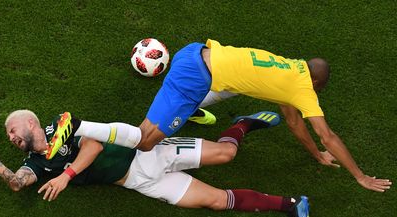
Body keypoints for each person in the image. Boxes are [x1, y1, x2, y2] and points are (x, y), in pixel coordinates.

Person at [46, 40, 391, 193]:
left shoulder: (291, 70)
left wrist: (316, 156)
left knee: (226, 90)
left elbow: (294, 122)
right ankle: (76, 124)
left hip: (197, 55)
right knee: (148, 141)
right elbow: (325, 133)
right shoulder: (303, 90)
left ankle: (190, 111)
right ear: (315, 83)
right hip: (194, 76)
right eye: (317, 92)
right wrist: (359, 176)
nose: (314, 97)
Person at [0, 110, 311, 217]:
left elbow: (93, 146)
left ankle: (242, 124)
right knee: (216, 201)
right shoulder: (36, 164)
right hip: (140, 181)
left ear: (31, 122)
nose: (10, 136)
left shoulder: (59, 128)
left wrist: (66, 175)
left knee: (226, 154)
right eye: (8, 136)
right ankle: (292, 203)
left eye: (11, 130)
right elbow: (17, 183)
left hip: (151, 152)